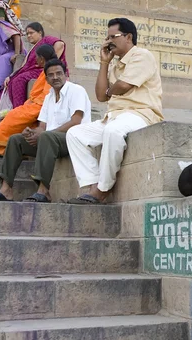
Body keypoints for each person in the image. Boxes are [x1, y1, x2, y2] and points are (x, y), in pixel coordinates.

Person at [67, 18, 163, 205]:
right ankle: (93, 184)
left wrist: (111, 91)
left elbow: (123, 85)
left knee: (113, 132)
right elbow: (101, 96)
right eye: (107, 37)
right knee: (75, 134)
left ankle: (103, 190)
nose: (108, 41)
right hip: (115, 116)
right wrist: (104, 63)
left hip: (141, 114)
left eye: (113, 37)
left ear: (128, 37)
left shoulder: (142, 55)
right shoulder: (114, 63)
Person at [0, 59, 91, 203]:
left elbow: (76, 121)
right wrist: (33, 132)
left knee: (47, 136)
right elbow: (42, 126)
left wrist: (45, 133)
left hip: (73, 139)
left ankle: (43, 191)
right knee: (16, 140)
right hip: (50, 141)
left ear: (65, 74)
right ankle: (6, 189)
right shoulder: (49, 97)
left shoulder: (77, 91)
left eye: (59, 73)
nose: (55, 77)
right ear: (46, 78)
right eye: (51, 75)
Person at [0, 44, 58, 159]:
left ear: (42, 58)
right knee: (13, 119)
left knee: (13, 117)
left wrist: (32, 103)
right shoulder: (46, 69)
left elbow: (47, 95)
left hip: (40, 107)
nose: (35, 60)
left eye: (36, 57)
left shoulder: (52, 70)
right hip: (34, 105)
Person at [2, 22, 67, 109]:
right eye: (27, 34)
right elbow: (24, 67)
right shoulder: (33, 49)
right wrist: (11, 76)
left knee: (19, 79)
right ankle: (16, 109)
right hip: (32, 71)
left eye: (31, 33)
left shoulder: (46, 39)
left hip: (42, 70)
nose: (29, 36)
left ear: (40, 33)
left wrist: (51, 64)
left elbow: (60, 45)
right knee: (13, 80)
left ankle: (20, 109)